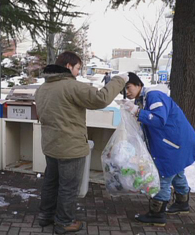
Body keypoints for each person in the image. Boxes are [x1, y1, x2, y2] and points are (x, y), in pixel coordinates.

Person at [35, 51, 128, 234]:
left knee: (51, 182)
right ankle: (64, 222)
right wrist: (119, 80)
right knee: (68, 187)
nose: (78, 72)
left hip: (50, 145)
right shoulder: (71, 86)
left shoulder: (43, 88)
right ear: (69, 67)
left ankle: (45, 216)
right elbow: (101, 99)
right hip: (70, 147)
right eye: (78, 68)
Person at [124, 72, 195, 226]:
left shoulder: (153, 95)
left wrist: (137, 112)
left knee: (163, 173)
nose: (127, 92)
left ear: (138, 84)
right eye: (124, 90)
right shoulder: (143, 99)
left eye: (128, 87)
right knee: (176, 171)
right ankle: (182, 204)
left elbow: (158, 119)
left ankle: (157, 213)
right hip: (177, 140)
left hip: (174, 142)